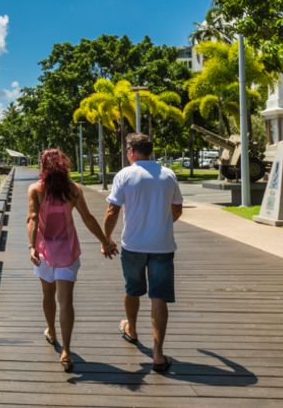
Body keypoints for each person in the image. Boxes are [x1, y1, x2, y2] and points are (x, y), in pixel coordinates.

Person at [28, 148, 118, 372]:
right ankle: (66, 351)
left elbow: (31, 219)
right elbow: (87, 217)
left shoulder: (36, 189)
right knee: (65, 301)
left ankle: (51, 330)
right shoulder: (73, 189)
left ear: (43, 167)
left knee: (47, 294)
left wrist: (31, 246)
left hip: (44, 252)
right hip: (67, 252)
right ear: (65, 166)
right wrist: (104, 241)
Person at [104, 133, 183, 373]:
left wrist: (106, 239)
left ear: (131, 152)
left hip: (133, 245)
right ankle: (158, 355)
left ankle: (133, 329)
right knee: (158, 297)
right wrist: (161, 223)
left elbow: (112, 211)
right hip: (162, 245)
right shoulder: (168, 175)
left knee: (132, 290)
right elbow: (177, 209)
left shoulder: (125, 175)